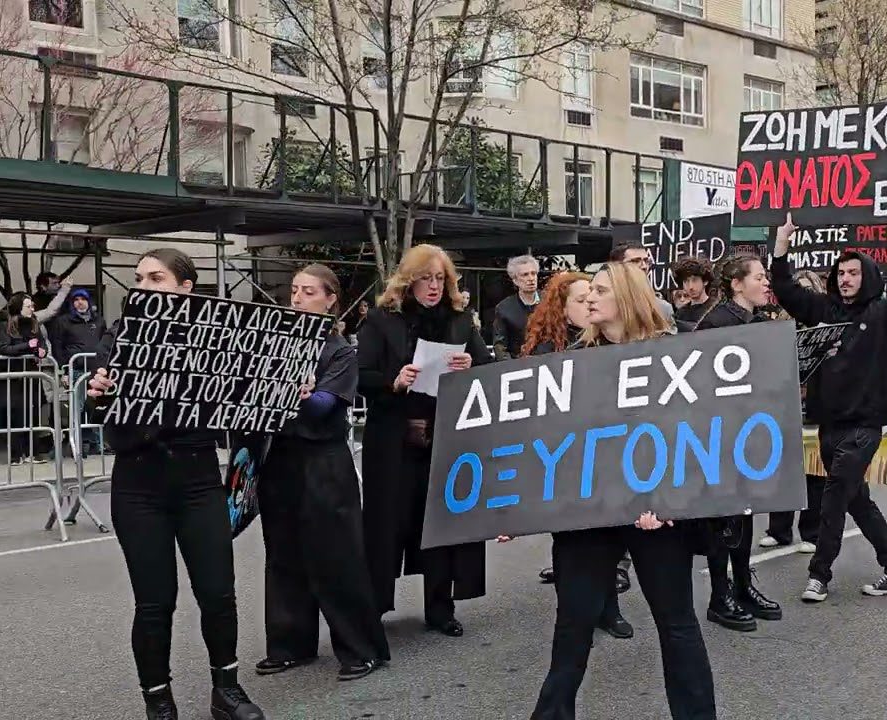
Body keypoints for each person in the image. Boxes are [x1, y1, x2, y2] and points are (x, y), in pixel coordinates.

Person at [529, 261, 715, 720]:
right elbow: (552, 442)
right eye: (588, 291)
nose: (589, 297)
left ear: (628, 298)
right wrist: (513, 506)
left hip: (656, 515)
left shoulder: (675, 354)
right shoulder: (573, 360)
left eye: (600, 290)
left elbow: (699, 433)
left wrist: (669, 499)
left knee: (676, 622)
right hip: (588, 514)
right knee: (573, 624)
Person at [85, 249, 264, 720]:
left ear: (185, 287)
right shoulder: (118, 336)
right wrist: (97, 395)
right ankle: (158, 701)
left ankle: (227, 690)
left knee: (218, 593)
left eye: (156, 277)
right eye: (138, 278)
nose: (142, 285)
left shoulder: (214, 340)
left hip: (198, 480)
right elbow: (97, 409)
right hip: (138, 484)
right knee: (154, 602)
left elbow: (244, 400)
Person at [771, 212, 887, 603]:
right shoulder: (823, 310)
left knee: (834, 498)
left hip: (865, 426)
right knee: (857, 500)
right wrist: (782, 242)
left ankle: (819, 575)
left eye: (853, 272)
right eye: (840, 272)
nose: (845, 278)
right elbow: (785, 288)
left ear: (868, 276)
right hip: (829, 424)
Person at [254, 264, 390, 682]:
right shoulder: (273, 344)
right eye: (294, 290)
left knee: (336, 557)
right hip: (281, 456)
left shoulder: (339, 351)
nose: (297, 298)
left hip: (323, 460)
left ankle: (360, 648)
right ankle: (290, 644)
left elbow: (323, 406)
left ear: (331, 300)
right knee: (283, 554)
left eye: (309, 292)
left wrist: (299, 393)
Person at [359, 243, 491, 635]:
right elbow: (360, 374)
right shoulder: (382, 319)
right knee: (388, 523)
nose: (433, 286)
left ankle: (440, 607)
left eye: (439, 279)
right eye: (425, 279)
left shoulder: (460, 320)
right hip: (393, 439)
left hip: (445, 438)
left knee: (441, 522)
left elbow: (488, 368)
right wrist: (394, 380)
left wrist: (471, 364)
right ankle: (373, 607)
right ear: (408, 280)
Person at [520, 271, 635, 641]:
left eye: (595, 295)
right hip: (569, 469)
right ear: (562, 307)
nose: (589, 303)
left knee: (608, 538)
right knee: (572, 547)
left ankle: (609, 609)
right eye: (581, 299)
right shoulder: (549, 352)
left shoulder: (609, 344)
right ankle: (574, 615)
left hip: (606, 463)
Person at [694, 255, 781, 631]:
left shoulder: (758, 322)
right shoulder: (716, 323)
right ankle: (720, 596)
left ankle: (744, 586)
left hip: (750, 432)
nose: (766, 283)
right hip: (721, 436)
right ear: (736, 284)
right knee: (722, 520)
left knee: (745, 514)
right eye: (759, 277)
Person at [762, 269, 826, 552]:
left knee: (814, 471)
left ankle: (811, 532)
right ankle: (779, 530)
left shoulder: (825, 324)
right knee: (783, 468)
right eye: (797, 288)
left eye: (807, 288)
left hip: (816, 407)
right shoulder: (781, 325)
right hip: (785, 406)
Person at [0, 292, 55, 465]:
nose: (32, 309)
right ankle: (15, 454)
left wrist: (41, 351)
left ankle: (32, 452)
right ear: (18, 308)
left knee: (32, 413)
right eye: (28, 306)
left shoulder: (33, 322)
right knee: (14, 416)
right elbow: (3, 347)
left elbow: (41, 343)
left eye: (32, 306)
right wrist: (26, 346)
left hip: (31, 374)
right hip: (12, 376)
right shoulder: (3, 322)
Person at [51, 287, 107, 456]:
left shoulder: (99, 321)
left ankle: (98, 443)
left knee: (97, 406)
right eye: (76, 300)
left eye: (83, 299)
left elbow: (104, 343)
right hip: (75, 369)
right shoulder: (63, 322)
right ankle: (78, 443)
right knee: (78, 408)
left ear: (89, 301)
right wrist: (64, 371)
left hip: (95, 369)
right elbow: (58, 347)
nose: (79, 302)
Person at [608, 242, 676, 322]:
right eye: (635, 261)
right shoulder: (602, 302)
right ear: (616, 266)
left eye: (646, 261)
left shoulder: (662, 308)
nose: (644, 266)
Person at [492, 255, 541, 360]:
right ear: (515, 280)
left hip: (549, 363)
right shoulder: (504, 308)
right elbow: (500, 346)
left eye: (533, 273)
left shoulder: (550, 301)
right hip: (518, 364)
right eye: (525, 275)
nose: (531, 278)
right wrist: (511, 366)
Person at [672, 256, 716, 325]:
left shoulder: (716, 309)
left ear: (705, 281)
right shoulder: (680, 314)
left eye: (695, 280)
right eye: (686, 281)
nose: (690, 287)